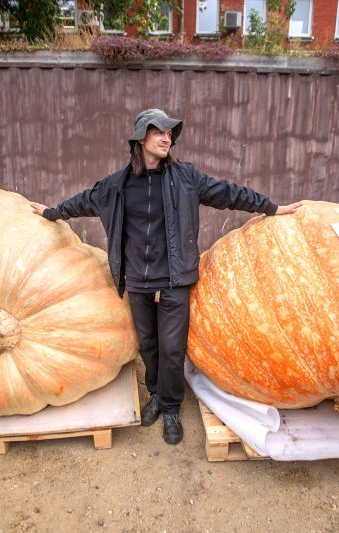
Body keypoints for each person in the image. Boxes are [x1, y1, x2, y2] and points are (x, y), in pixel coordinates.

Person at [30, 109, 301, 445]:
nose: (166, 138)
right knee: (149, 345)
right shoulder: (116, 185)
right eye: (158, 132)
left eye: (170, 134)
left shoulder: (186, 178)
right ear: (140, 139)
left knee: (173, 349)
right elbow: (84, 201)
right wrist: (51, 212)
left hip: (174, 280)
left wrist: (272, 207)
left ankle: (171, 407)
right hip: (138, 282)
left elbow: (229, 192)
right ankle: (156, 395)